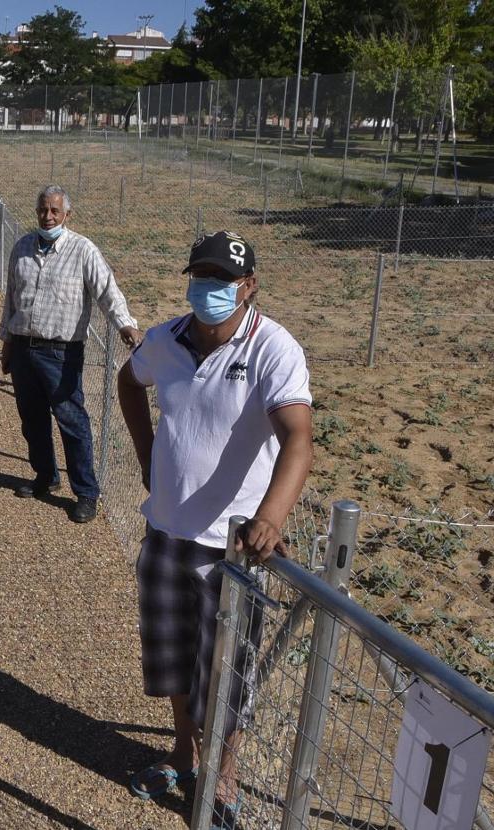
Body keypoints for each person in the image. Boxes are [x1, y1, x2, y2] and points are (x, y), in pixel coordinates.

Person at [117, 231, 313, 827]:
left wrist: (271, 518)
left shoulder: (273, 349)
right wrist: (148, 455)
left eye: (222, 281)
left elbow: (298, 439)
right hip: (166, 534)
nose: (208, 291)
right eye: (200, 277)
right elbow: (130, 382)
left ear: (247, 286)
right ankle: (182, 752)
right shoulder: (167, 339)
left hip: (230, 551)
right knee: (174, 659)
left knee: (228, 669)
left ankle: (222, 777)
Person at [0, 185, 143, 523]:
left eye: (55, 211)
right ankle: (45, 476)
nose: (48, 217)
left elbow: (108, 290)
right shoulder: (21, 247)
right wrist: (6, 344)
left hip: (60, 354)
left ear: (66, 215)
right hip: (23, 348)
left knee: (72, 422)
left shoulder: (82, 250)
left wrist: (125, 325)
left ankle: (86, 493)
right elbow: (11, 300)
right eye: (43, 210)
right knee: (32, 420)